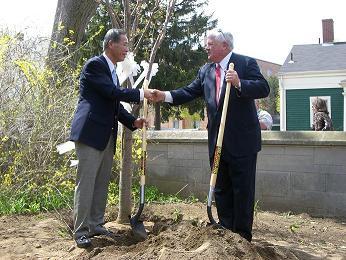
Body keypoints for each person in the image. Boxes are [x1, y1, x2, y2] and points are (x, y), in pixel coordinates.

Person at [151, 29, 270, 242]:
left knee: (242, 190)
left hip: (242, 142)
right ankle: (226, 231)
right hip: (217, 143)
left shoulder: (245, 63)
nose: (206, 47)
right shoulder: (206, 71)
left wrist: (240, 83)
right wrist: (165, 96)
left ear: (225, 46)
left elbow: (263, 88)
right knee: (221, 187)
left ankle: (242, 236)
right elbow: (188, 92)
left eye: (210, 43)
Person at [70, 28, 153, 248]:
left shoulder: (112, 71)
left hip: (106, 134)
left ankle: (96, 223)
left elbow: (113, 104)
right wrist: (140, 94)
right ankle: (80, 231)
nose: (127, 49)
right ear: (111, 44)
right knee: (86, 182)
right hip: (90, 133)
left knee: (101, 181)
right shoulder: (95, 65)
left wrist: (132, 122)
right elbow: (111, 93)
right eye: (124, 44)